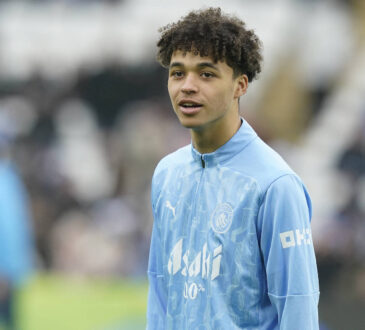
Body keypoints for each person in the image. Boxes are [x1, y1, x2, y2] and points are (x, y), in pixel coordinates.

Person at [147, 7, 319, 329]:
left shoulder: (275, 185)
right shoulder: (166, 174)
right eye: (178, 73)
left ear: (241, 85)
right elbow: (160, 294)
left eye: (207, 74)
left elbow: (298, 309)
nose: (187, 86)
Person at [0, 136, 34, 330]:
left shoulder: (4, 181)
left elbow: (8, 230)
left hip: (5, 273)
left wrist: (4, 270)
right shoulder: (10, 178)